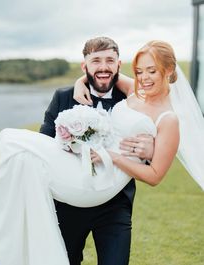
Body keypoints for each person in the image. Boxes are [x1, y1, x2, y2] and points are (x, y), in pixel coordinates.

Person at [0, 39, 204, 265]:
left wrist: (114, 156)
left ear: (169, 70)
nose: (143, 77)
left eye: (151, 71)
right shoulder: (135, 90)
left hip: (107, 183)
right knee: (13, 146)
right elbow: (104, 72)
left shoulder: (170, 118)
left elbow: (155, 175)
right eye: (139, 71)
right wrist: (81, 82)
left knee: (10, 140)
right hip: (81, 178)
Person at [39, 36, 154, 265]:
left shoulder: (135, 102)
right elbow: (44, 146)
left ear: (119, 65)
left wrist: (149, 152)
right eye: (96, 61)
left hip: (115, 206)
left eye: (110, 60)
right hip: (67, 204)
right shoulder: (63, 97)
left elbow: (150, 148)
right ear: (85, 66)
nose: (103, 67)